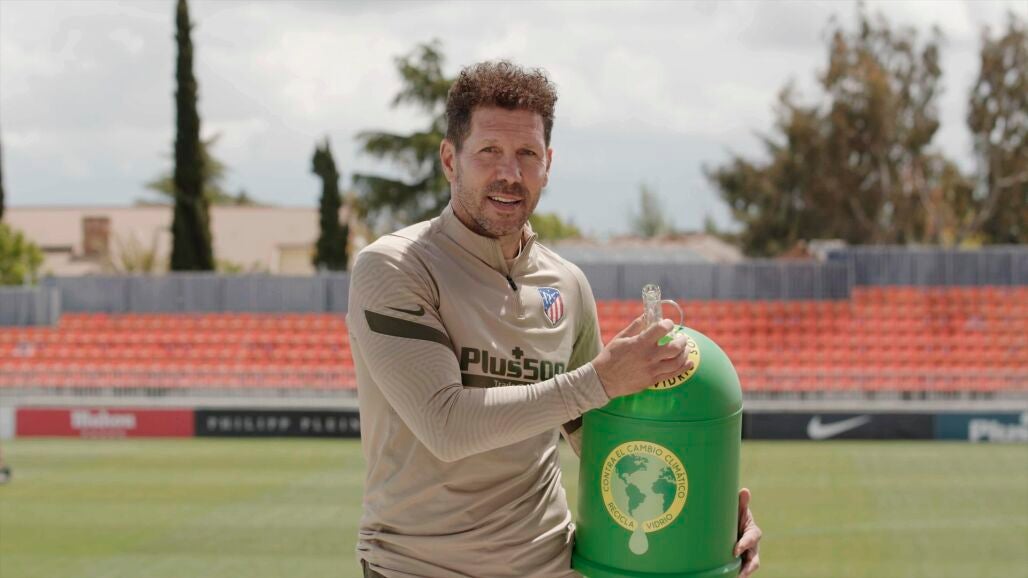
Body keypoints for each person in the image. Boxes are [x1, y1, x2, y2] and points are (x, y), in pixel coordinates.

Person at [348, 61, 761, 578]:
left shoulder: (567, 284)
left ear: (548, 164)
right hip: (419, 567)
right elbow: (445, 425)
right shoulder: (395, 267)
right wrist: (599, 380)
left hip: (549, 565)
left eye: (527, 154)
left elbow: (601, 440)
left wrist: (712, 514)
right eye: (489, 151)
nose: (509, 173)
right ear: (450, 160)